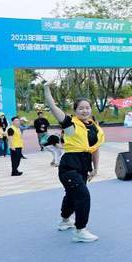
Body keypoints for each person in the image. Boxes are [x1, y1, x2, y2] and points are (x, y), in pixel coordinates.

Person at [42, 83, 104, 243]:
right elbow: (53, 107)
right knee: (83, 196)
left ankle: (64, 221)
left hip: (84, 166)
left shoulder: (95, 128)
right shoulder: (70, 125)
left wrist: (95, 169)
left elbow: (95, 149)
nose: (85, 110)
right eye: (81, 108)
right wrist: (46, 89)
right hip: (69, 166)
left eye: (87, 108)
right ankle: (80, 230)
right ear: (75, 110)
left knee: (71, 195)